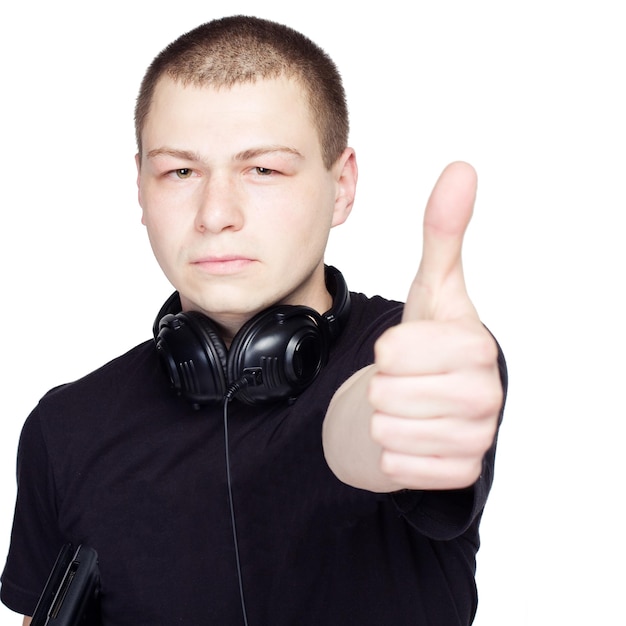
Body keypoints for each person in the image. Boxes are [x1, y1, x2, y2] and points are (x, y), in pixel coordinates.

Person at [1, 15, 507, 626]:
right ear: (140, 187)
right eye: (181, 172)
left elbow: (364, 427)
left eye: (263, 169)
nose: (216, 213)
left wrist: (397, 412)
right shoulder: (67, 427)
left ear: (342, 186)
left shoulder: (415, 357)